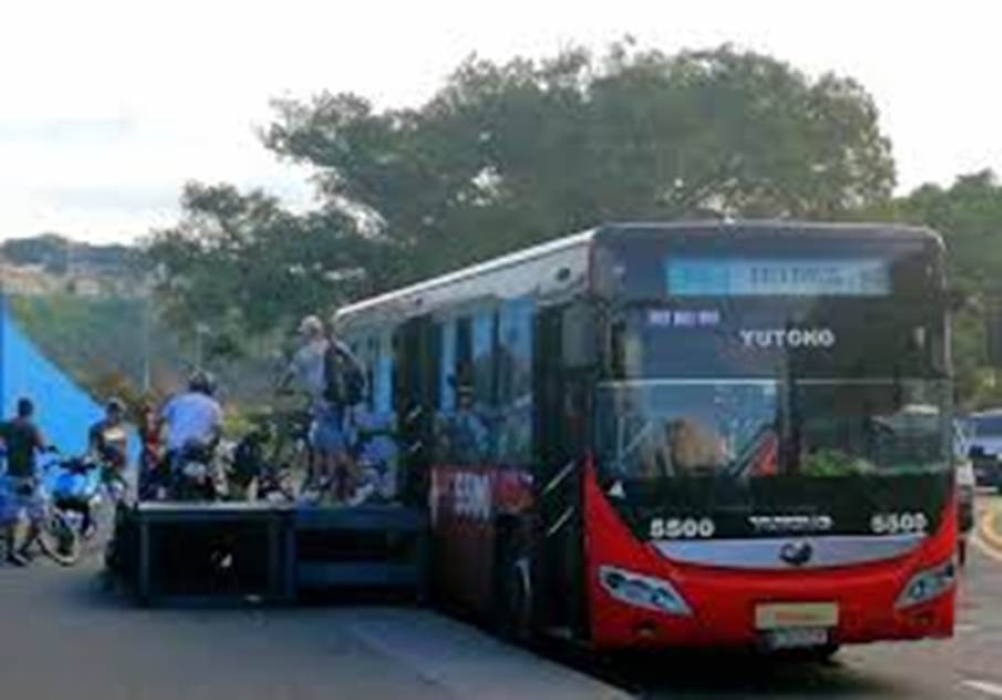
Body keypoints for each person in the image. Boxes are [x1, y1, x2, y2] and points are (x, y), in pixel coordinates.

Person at [0, 398, 51, 566]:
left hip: (10, 477)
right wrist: (49, 446)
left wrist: (4, 450)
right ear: (31, 411)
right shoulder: (31, 427)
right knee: (39, 517)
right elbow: (42, 448)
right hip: (27, 478)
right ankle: (24, 548)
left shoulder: (6, 425)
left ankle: (10, 552)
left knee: (10, 518)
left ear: (18, 409)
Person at [160, 371, 223, 471]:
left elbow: (163, 423)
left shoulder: (176, 401)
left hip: (175, 451)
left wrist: (165, 442)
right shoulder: (214, 406)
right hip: (201, 454)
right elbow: (217, 432)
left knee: (156, 475)